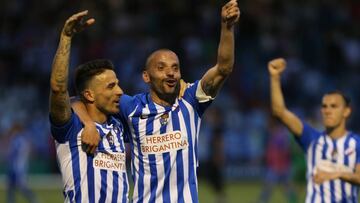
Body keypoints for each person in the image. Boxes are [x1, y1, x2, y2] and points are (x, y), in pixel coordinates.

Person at [75, 1, 240, 202]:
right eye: (161, 68)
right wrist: (89, 124)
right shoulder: (131, 106)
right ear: (146, 76)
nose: (170, 72)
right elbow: (76, 100)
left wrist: (227, 27)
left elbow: (223, 69)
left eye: (175, 67)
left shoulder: (191, 101)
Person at [49, 10, 129, 202]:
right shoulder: (72, 128)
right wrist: (66, 38)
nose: (120, 91)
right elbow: (59, 90)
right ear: (89, 94)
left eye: (117, 83)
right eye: (111, 86)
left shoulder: (119, 124)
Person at [269, 58, 360, 202]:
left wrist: (336, 173)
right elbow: (280, 112)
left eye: (334, 106)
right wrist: (275, 78)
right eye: (324, 106)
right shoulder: (312, 139)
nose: (327, 110)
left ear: (347, 111)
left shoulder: (356, 143)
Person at [6, 123, 38, 203]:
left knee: (21, 186)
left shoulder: (19, 140)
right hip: (13, 167)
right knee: (10, 187)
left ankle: (33, 199)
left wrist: (21, 164)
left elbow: (22, 153)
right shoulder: (15, 139)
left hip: (18, 167)